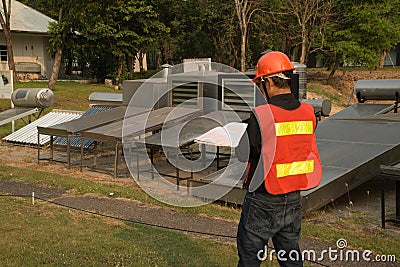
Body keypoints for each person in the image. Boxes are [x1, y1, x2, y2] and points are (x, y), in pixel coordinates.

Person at [235, 51, 322, 267]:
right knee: (290, 256)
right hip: (293, 198)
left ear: (268, 83)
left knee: (250, 258)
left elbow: (243, 153)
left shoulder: (262, 115)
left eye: (260, 84)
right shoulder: (308, 112)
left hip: (263, 199)